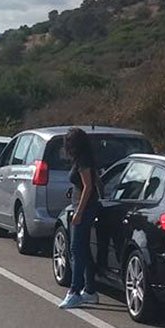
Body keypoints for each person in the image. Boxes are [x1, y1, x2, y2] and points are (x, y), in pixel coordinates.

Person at [59, 127, 101, 310]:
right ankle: (90, 290)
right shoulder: (84, 159)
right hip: (81, 206)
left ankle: (74, 291)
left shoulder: (83, 161)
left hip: (84, 209)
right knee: (83, 249)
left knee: (76, 249)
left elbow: (88, 187)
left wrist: (79, 212)